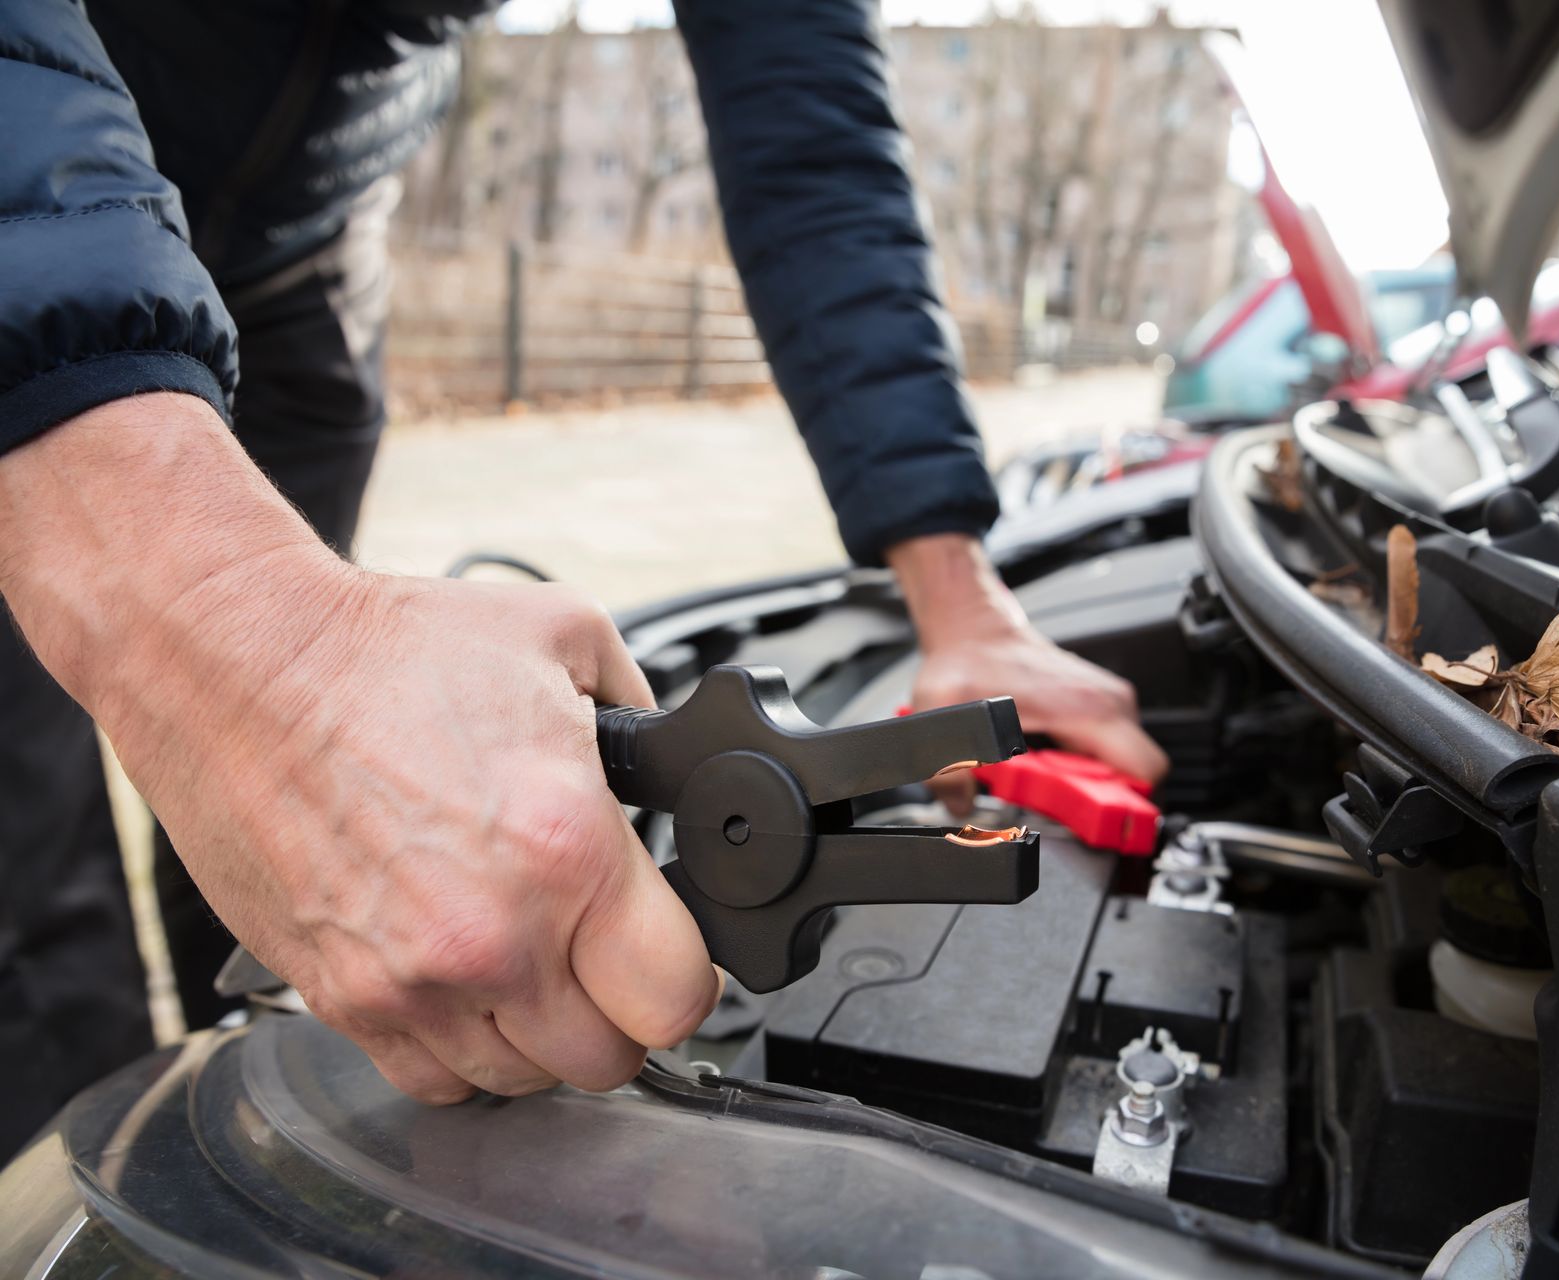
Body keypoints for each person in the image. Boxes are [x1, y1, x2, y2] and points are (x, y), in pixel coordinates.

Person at [0, 0, 1168, 1159]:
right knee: (32, 863)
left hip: (307, 237)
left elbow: (815, 144)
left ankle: (246, 1127)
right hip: (36, 212)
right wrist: (223, 622)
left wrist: (959, 598)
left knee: (321, 858)